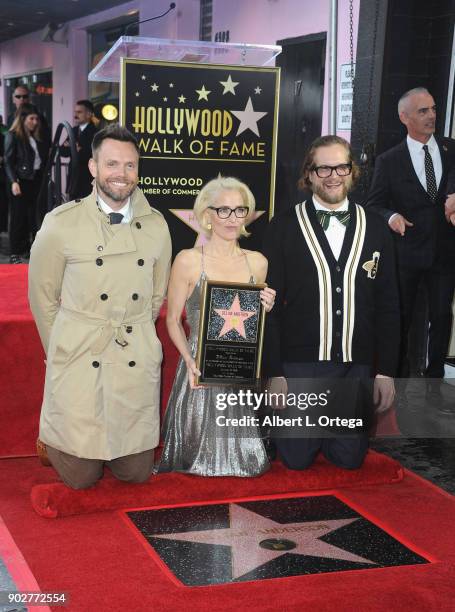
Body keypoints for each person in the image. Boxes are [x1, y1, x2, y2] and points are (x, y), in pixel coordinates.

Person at [28, 124, 172, 489]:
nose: (120, 175)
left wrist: (135, 332)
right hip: (80, 349)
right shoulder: (61, 224)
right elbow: (42, 298)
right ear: (93, 167)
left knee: (136, 474)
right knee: (81, 479)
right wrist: (60, 348)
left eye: (129, 166)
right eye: (111, 164)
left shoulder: (157, 226)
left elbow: (156, 296)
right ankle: (55, 439)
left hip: (131, 352)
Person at [263, 135, 400, 471]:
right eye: (323, 168)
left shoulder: (377, 228)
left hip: (355, 366)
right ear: (309, 174)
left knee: (349, 460)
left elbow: (389, 306)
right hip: (300, 366)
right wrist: (274, 373)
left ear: (352, 172)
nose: (333, 175)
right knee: (296, 461)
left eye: (341, 166)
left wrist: (385, 372)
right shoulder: (281, 227)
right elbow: (268, 310)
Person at [158, 176, 276, 477]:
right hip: (198, 369)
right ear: (207, 215)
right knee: (195, 465)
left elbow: (250, 325)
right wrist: (189, 359)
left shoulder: (258, 263)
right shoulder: (187, 261)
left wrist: (266, 308)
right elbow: (172, 320)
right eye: (223, 210)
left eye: (239, 210)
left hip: (238, 370)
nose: (232, 218)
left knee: (250, 468)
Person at [366, 87, 455, 413]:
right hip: (405, 255)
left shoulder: (451, 149)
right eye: (422, 111)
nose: (431, 115)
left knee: (442, 317)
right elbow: (374, 203)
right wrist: (391, 216)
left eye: (433, 109)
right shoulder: (389, 161)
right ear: (405, 118)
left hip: (444, 254)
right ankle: (397, 386)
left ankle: (434, 387)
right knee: (400, 320)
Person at [4, 103, 49, 263]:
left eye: (36, 119)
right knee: (18, 217)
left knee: (32, 216)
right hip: (20, 181)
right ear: (22, 119)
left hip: (34, 180)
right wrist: (13, 181)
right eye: (31, 118)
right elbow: (8, 161)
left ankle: (29, 249)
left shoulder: (35, 137)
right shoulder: (13, 135)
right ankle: (15, 253)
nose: (35, 122)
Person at [61, 100, 98, 198]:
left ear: (89, 114)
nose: (76, 115)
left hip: (87, 179)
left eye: (79, 112)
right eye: (75, 112)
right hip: (73, 178)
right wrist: (75, 149)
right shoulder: (73, 130)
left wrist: (74, 149)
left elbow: (92, 154)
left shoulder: (95, 133)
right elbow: (62, 152)